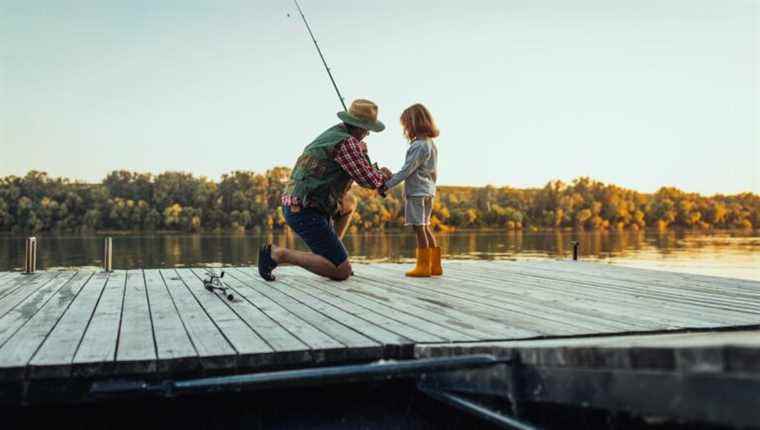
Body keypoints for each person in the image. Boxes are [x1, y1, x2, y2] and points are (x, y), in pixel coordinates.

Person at [257, 99, 392, 281]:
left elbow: (361, 171)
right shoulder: (347, 143)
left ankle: (334, 255)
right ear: (359, 126)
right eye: (367, 128)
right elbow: (369, 180)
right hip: (305, 210)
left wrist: (366, 159)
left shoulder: (334, 133)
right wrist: (383, 174)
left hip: (300, 203)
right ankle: (278, 254)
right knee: (341, 272)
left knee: (350, 202)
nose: (368, 133)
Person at [382, 103, 442, 277]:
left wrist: (386, 184)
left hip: (416, 192)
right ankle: (435, 266)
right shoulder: (430, 144)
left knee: (419, 228)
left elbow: (407, 170)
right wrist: (392, 176)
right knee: (426, 226)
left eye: (406, 125)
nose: (405, 129)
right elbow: (416, 170)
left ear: (413, 124)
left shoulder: (418, 146)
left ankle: (423, 266)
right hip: (428, 191)